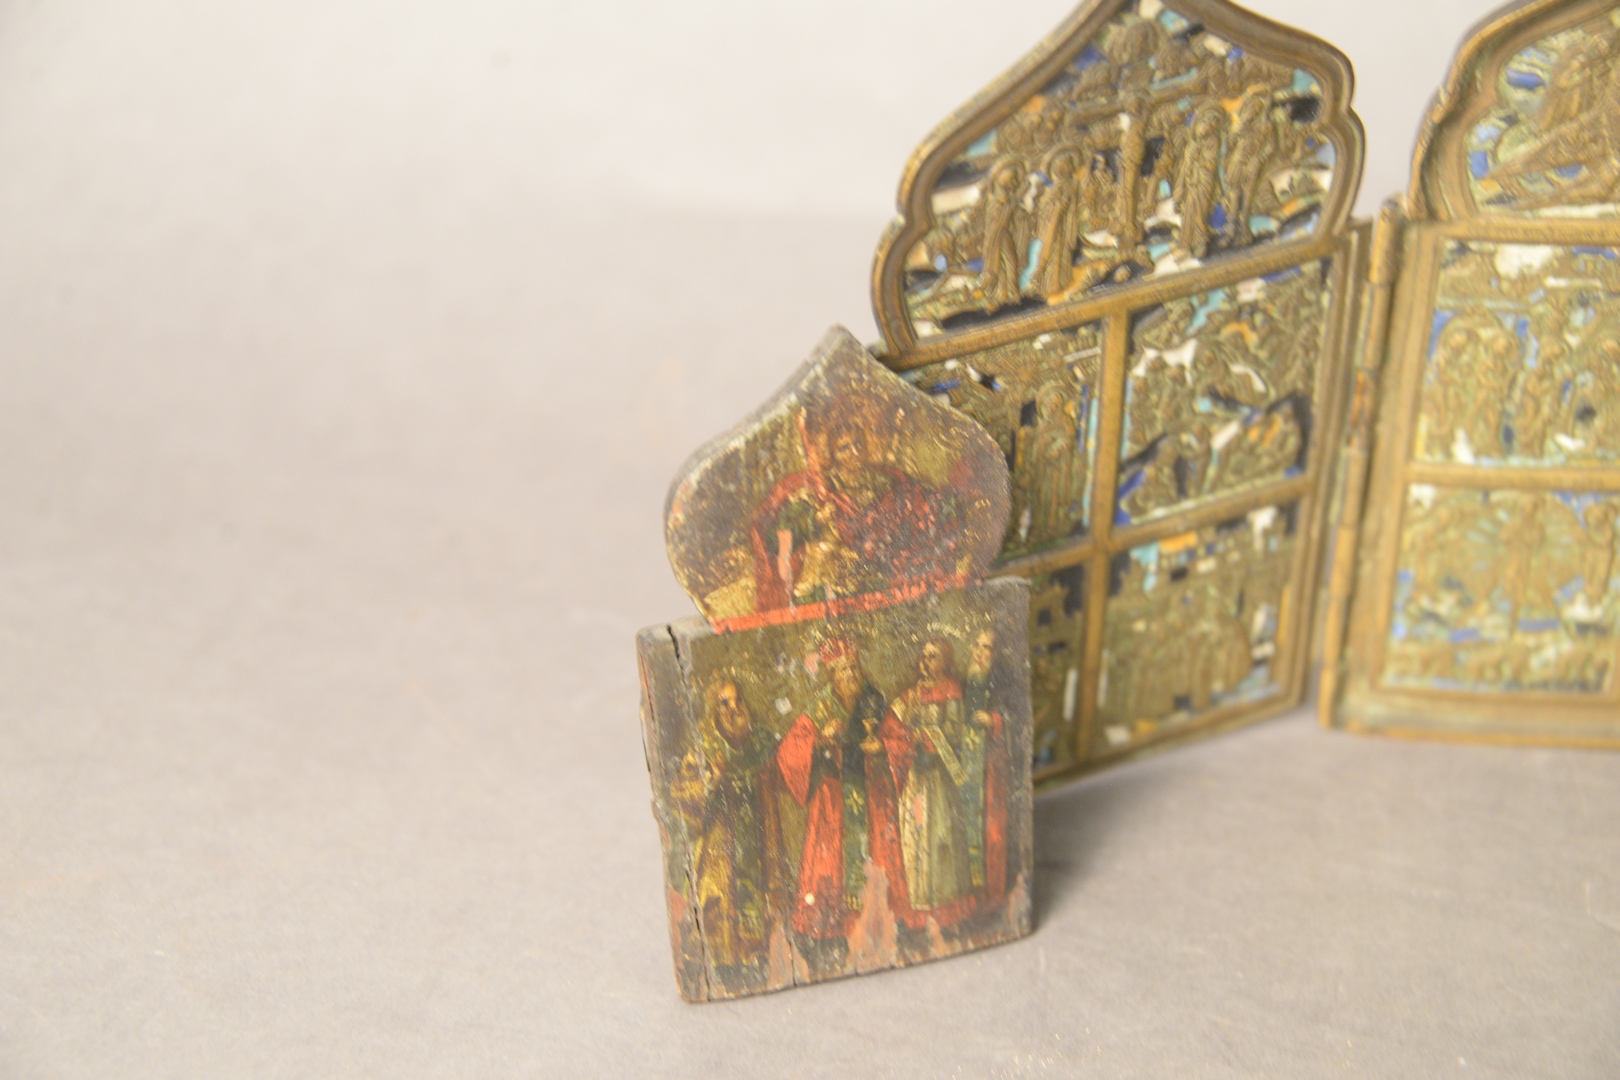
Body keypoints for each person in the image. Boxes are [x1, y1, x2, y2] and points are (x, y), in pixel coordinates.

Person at [749, 401, 966, 612]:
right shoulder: (818, 490)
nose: (853, 453)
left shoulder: (888, 482)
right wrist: (816, 519)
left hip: (881, 580)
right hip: (829, 589)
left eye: (858, 445)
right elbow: (775, 541)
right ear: (834, 454)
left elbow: (923, 506)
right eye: (844, 448)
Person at [775, 638, 912, 962]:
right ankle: (832, 936)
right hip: (833, 803)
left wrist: (883, 748)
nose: (850, 674)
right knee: (829, 868)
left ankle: (880, 927)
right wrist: (821, 739)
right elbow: (789, 752)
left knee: (877, 862)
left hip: (872, 798)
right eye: (842, 670)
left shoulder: (873, 702)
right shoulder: (822, 707)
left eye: (853, 667)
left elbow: (902, 742)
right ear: (832, 676)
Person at [668, 675, 782, 979]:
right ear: (714, 711)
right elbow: (681, 794)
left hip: (756, 845)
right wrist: (711, 779)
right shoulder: (704, 747)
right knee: (718, 910)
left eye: (737, 700)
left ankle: (756, 966)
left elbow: (779, 775)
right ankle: (724, 972)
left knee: (756, 910)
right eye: (724, 703)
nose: (733, 709)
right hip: (720, 852)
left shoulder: (758, 742)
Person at [892, 638, 974, 925]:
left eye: (933, 656)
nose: (925, 661)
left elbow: (954, 731)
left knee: (940, 832)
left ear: (945, 661)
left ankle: (946, 902)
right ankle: (919, 901)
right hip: (916, 775)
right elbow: (894, 722)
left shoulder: (951, 689)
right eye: (924, 655)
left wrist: (922, 736)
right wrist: (901, 735)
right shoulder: (913, 692)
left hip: (939, 774)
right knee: (916, 830)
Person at [961, 629, 1011, 904]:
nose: (979, 653)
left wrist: (994, 721)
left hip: (992, 768)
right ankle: (972, 895)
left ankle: (993, 894)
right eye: (977, 646)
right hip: (967, 767)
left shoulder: (1003, 683)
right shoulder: (965, 682)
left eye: (987, 648)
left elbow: (1018, 719)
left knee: (992, 829)